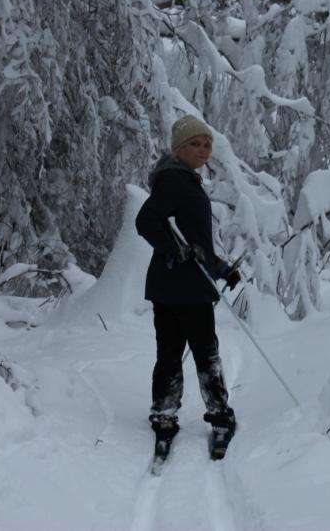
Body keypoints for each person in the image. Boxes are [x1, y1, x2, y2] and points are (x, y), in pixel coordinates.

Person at [135, 114, 241, 450]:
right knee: (205, 354)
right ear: (179, 148)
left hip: (174, 287)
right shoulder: (175, 181)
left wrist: (221, 267)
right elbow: (146, 221)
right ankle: (219, 416)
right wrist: (175, 251)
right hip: (185, 291)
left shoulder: (183, 180)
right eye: (195, 143)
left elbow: (195, 242)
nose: (203, 149)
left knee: (170, 354)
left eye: (207, 144)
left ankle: (164, 414)